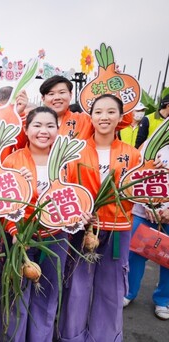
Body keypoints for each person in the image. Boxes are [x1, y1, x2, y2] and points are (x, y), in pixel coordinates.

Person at [58, 94, 141, 341]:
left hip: (118, 229)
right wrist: (76, 213)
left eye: (110, 112)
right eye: (98, 112)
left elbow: (138, 190)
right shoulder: (76, 152)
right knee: (77, 287)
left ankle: (105, 337)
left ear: (120, 117)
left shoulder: (132, 154)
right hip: (83, 230)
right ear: (91, 117)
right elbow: (65, 187)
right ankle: (72, 336)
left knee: (111, 289)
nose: (104, 117)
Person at [0, 106, 81, 341]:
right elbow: (3, 203)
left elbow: (78, 197)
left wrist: (80, 216)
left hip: (57, 237)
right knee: (18, 294)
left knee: (48, 293)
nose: (43, 131)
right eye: (37, 125)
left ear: (58, 129)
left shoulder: (68, 162)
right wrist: (15, 231)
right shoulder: (13, 160)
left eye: (50, 126)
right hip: (21, 238)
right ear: (27, 129)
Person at [123, 128, 169, 319]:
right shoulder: (153, 144)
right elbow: (136, 172)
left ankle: (163, 300)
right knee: (135, 253)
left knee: (167, 258)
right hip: (144, 211)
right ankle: (128, 292)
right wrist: (147, 201)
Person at [40, 75, 132, 139]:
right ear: (43, 98)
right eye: (51, 94)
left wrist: (117, 88)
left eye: (62, 92)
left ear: (70, 95)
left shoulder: (86, 120)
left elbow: (124, 121)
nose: (57, 98)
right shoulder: (33, 122)